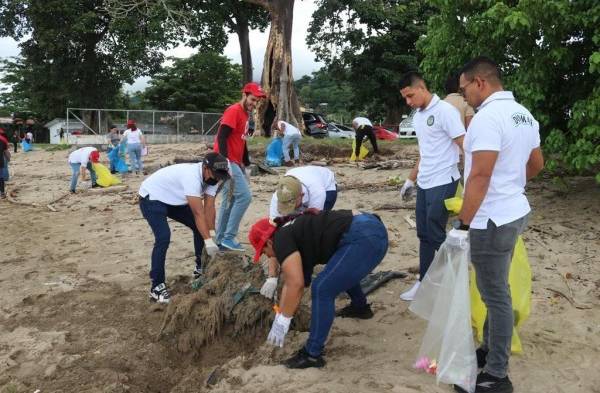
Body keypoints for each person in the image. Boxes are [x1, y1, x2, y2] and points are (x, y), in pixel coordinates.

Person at [452, 57, 543, 393]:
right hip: (514, 210)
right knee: (496, 289)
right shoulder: (523, 114)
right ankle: (488, 350)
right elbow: (535, 164)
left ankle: (497, 374)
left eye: (464, 90)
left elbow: (480, 174)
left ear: (480, 82)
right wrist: (511, 186)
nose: (464, 97)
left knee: (496, 295)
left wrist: (463, 222)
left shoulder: (488, 117)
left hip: (490, 217)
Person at [249, 210, 388, 368]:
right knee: (336, 271)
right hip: (370, 228)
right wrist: (281, 313)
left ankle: (312, 355)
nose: (267, 256)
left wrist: (283, 321)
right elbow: (291, 281)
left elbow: (296, 284)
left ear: (269, 242)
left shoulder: (280, 240)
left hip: (364, 238)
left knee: (322, 288)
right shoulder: (291, 231)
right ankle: (360, 307)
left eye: (264, 252)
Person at [398, 71, 466, 301]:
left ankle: (458, 278)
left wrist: (479, 177)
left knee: (435, 231)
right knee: (424, 233)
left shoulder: (445, 111)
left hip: (444, 179)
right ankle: (424, 282)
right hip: (426, 181)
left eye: (409, 96)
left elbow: (464, 143)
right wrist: (411, 179)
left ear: (422, 88)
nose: (408, 102)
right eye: (404, 98)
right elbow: (424, 152)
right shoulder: (418, 116)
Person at [139, 152, 231, 303]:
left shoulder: (213, 179)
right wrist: (208, 241)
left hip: (174, 199)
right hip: (152, 197)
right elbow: (198, 213)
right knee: (163, 237)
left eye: (220, 175)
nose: (217, 178)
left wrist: (211, 234)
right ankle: (156, 287)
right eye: (215, 174)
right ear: (205, 168)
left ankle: (200, 269)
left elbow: (209, 207)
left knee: (200, 229)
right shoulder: (191, 177)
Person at [213, 82, 266, 251]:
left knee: (229, 201)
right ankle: (229, 237)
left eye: (257, 101)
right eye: (252, 99)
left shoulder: (246, 115)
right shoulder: (234, 110)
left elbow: (241, 142)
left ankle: (221, 240)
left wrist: (246, 164)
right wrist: (224, 162)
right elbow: (221, 137)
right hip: (226, 161)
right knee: (244, 197)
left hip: (235, 162)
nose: (254, 104)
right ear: (244, 95)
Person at [269, 166, 337, 220]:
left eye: (292, 204)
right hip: (302, 174)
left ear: (302, 195)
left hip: (328, 185)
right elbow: (274, 220)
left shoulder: (317, 192)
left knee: (318, 220)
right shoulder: (278, 195)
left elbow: (315, 219)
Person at [0, 128, 9, 199]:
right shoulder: (3, 140)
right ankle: (2, 193)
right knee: (1, 178)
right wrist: (8, 159)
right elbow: (6, 152)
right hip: (1, 162)